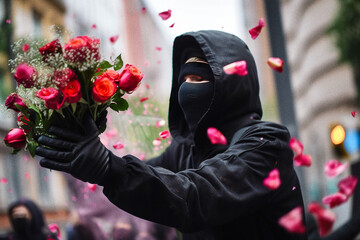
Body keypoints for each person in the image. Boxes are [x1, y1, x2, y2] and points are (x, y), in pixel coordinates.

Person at [35, 30, 308, 239]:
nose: (188, 89)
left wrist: (109, 168)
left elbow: (196, 195)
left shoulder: (265, 144)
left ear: (231, 85)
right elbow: (150, 181)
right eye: (183, 81)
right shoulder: (185, 150)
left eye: (199, 79)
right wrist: (82, 134)